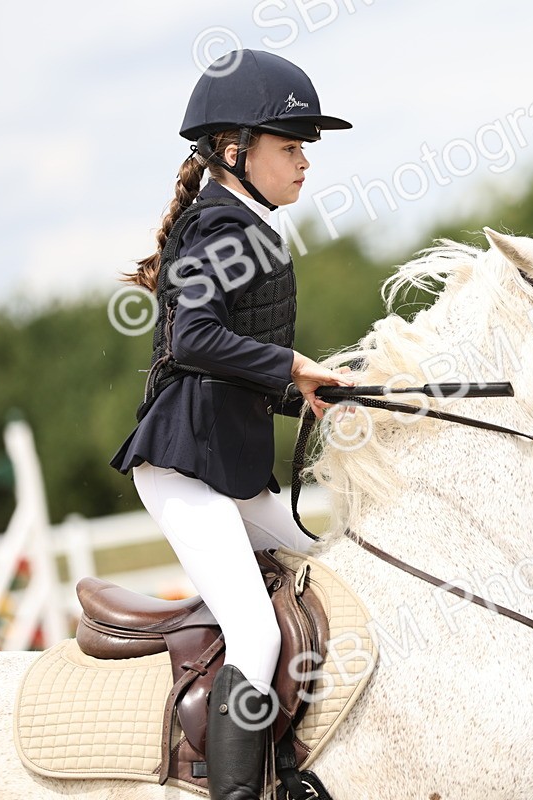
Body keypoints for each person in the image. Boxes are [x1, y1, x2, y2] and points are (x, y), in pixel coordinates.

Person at [109, 49, 354, 800]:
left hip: (226, 463)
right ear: (233, 151)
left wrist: (305, 393)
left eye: (304, 146)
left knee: (333, 561)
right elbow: (194, 341)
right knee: (255, 632)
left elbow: (224, 369)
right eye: (290, 146)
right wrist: (293, 367)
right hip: (185, 468)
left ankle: (293, 758)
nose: (305, 161)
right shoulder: (220, 225)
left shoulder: (245, 224)